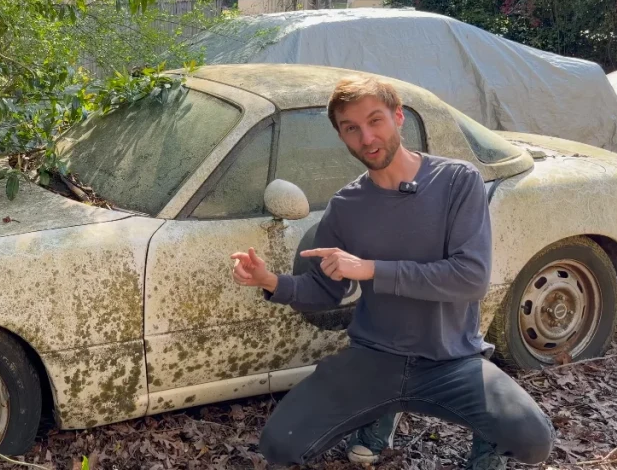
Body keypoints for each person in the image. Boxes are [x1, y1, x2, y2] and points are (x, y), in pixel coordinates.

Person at [230, 76, 555, 470]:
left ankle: (486, 442)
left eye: (375, 121)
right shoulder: (347, 205)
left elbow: (470, 278)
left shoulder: (456, 181)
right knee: (280, 447)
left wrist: (370, 269)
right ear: (342, 137)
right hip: (375, 359)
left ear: (398, 117)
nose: (367, 137)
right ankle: (382, 410)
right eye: (351, 129)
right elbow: (323, 290)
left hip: (450, 360)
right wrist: (271, 282)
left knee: (533, 440)